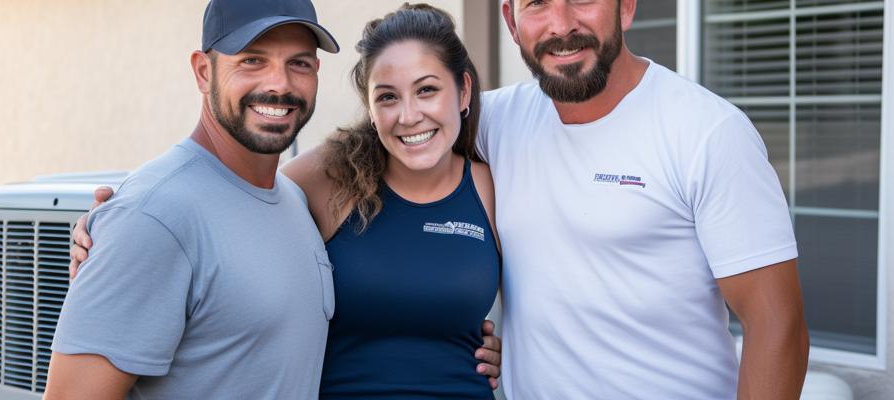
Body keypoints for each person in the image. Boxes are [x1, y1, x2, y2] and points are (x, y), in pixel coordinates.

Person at [54, 1, 501, 399]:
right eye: (253, 60)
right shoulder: (151, 217)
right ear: (203, 71)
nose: (279, 84)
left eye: (299, 63)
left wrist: (504, 349)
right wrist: (118, 226)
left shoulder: (286, 197)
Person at [480, 0, 809, 399]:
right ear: (511, 23)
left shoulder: (707, 132)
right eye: (537, 4)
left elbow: (777, 326)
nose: (561, 25)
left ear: (626, 7)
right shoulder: (492, 122)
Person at [283, 5, 500, 398]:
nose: (409, 115)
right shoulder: (330, 178)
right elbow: (245, 205)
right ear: (370, 107)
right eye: (387, 97)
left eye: (427, 90)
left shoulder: (489, 188)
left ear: (463, 90)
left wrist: (513, 350)